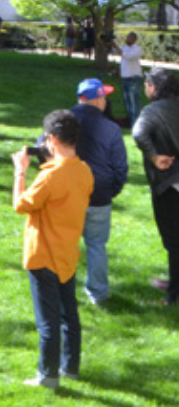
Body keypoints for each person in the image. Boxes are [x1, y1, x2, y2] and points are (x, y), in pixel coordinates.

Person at [12, 110, 94, 389]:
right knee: (68, 315)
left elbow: (21, 204)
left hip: (43, 256)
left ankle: (47, 375)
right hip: (68, 254)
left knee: (47, 321)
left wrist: (20, 170)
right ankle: (70, 367)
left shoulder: (49, 177)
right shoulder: (84, 170)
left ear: (52, 139)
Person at [68, 79, 129, 305]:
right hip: (99, 196)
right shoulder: (111, 128)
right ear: (96, 99)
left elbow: (44, 152)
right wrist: (109, 192)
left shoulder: (62, 121)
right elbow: (120, 168)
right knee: (96, 245)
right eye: (104, 97)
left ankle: (63, 290)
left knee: (65, 244)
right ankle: (99, 294)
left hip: (68, 196)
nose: (106, 101)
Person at [131, 67, 179, 306]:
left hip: (169, 184)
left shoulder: (151, 110)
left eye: (147, 84)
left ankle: (173, 296)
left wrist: (153, 156)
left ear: (155, 88)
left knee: (173, 240)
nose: (145, 88)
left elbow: (138, 133)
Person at [111, 32, 144, 128]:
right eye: (127, 37)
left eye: (130, 38)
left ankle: (136, 124)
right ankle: (131, 122)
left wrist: (116, 48)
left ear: (134, 39)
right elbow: (116, 51)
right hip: (125, 78)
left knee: (134, 102)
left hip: (134, 78)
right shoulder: (124, 47)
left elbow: (128, 56)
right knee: (127, 101)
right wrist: (111, 43)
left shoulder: (137, 49)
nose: (128, 39)